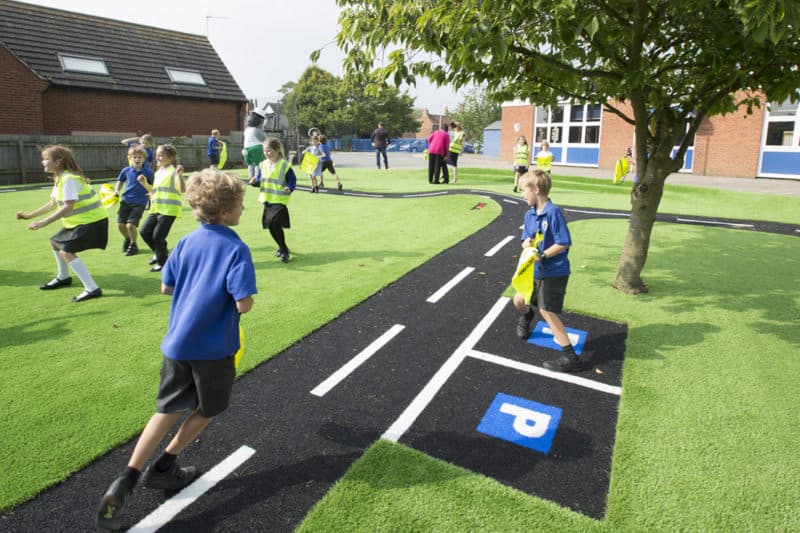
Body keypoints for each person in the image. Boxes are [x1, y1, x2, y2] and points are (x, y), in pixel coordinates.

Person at [95, 169, 256, 531]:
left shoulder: (185, 242)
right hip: (214, 349)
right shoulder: (235, 248)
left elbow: (166, 288)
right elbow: (244, 304)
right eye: (241, 205)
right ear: (228, 210)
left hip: (177, 343)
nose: (243, 211)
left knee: (166, 409)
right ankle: (166, 465)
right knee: (210, 407)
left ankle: (126, 478)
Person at [16, 145, 108, 302]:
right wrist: (29, 215)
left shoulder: (69, 179)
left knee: (66, 251)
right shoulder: (60, 178)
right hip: (82, 222)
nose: (43, 163)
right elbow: (52, 203)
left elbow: (68, 206)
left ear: (57, 162)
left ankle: (92, 288)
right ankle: (64, 277)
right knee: (55, 242)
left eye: (46, 159)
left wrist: (43, 222)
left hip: (92, 222)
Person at [512, 170, 579, 372]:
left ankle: (570, 357)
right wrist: (526, 243)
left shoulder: (553, 213)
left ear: (536, 189)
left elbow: (564, 243)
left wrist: (543, 255)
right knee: (518, 300)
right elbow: (526, 236)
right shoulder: (529, 213)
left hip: (554, 270)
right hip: (534, 269)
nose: (522, 194)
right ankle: (526, 316)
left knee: (547, 310)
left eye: (524, 190)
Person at [138, 144, 185, 272]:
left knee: (158, 236)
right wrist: (144, 184)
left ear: (170, 157)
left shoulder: (174, 172)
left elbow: (182, 189)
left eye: (161, 155)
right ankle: (159, 254)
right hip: (156, 208)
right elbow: (154, 191)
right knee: (144, 232)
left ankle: (163, 263)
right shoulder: (158, 172)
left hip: (169, 210)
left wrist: (180, 176)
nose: (157, 157)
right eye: (157, 155)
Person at [250, 137, 297, 263]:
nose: (266, 153)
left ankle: (284, 250)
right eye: (265, 151)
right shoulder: (262, 164)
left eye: (269, 151)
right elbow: (261, 181)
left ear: (277, 150)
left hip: (280, 199)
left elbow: (292, 180)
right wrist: (254, 182)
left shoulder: (285, 165)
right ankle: (282, 248)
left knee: (275, 222)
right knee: (271, 226)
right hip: (267, 200)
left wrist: (289, 187)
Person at [113, 145, 154, 256]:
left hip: (139, 203)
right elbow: (120, 181)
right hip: (125, 201)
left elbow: (153, 186)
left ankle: (133, 245)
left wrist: (151, 192)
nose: (137, 159)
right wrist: (116, 190)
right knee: (120, 225)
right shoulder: (126, 170)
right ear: (130, 158)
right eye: (134, 157)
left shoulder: (148, 172)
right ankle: (128, 239)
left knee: (130, 225)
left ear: (144, 159)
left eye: (140, 157)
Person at [243, 110, 267, 181]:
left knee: (250, 163)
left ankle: (250, 176)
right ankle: (257, 176)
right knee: (258, 163)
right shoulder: (256, 130)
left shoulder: (246, 129)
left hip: (246, 149)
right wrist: (263, 130)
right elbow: (264, 138)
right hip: (256, 148)